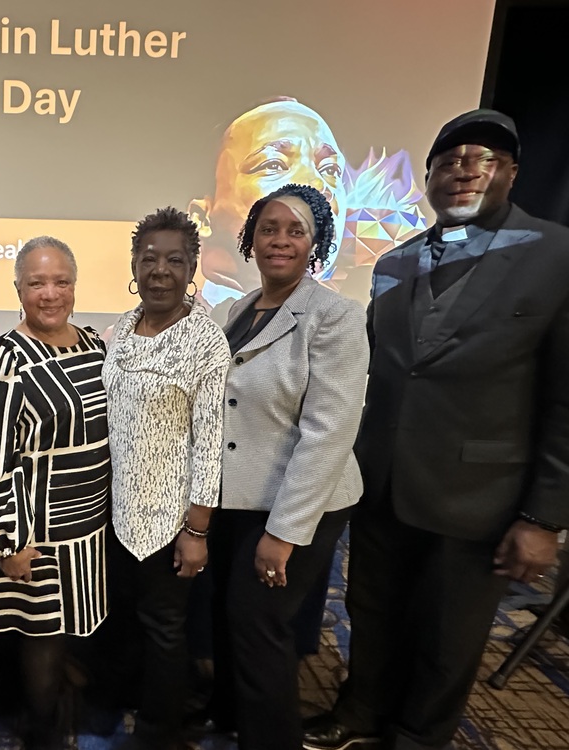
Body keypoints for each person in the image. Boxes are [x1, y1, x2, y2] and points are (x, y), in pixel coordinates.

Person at [304, 109, 569, 750]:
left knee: (448, 634)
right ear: (429, 178)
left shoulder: (557, 254)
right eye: (448, 162)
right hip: (385, 479)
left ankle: (418, 736)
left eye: (480, 160)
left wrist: (543, 518)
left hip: (479, 493)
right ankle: (361, 709)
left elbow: (565, 401)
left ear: (509, 173)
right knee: (372, 611)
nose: (462, 173)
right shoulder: (395, 265)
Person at [208, 184, 368, 750]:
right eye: (268, 228)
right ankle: (232, 717)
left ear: (316, 242)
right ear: (249, 239)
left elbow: (329, 433)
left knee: (260, 630)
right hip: (237, 494)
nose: (279, 239)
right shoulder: (236, 310)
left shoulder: (335, 316)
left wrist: (283, 532)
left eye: (294, 229)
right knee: (233, 622)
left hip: (298, 503)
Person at [0, 236, 110, 748]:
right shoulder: (7, 359)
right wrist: (3, 542)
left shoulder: (94, 343)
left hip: (88, 531)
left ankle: (45, 713)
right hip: (36, 535)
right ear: (18, 288)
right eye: (36, 283)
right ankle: (43, 736)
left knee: (69, 638)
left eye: (61, 281)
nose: (49, 293)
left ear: (75, 285)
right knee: (40, 642)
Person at [102, 207, 230, 749]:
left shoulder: (205, 341)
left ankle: (158, 734)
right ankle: (132, 703)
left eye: (174, 260)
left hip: (168, 520)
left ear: (191, 268)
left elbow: (209, 444)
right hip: (113, 513)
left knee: (165, 631)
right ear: (134, 264)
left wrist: (196, 531)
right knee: (126, 625)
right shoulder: (122, 330)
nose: (160, 270)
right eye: (148, 258)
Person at [191, 99, 348, 302]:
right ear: (203, 218)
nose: (317, 184)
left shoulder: (345, 320)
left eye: (330, 169)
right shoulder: (178, 327)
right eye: (273, 165)